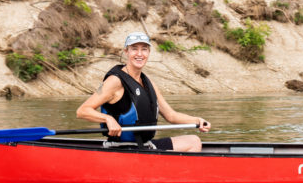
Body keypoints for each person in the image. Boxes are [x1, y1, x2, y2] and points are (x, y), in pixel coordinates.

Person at [76, 32, 210, 152]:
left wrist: (197, 120)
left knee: (194, 141)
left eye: (144, 49)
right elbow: (82, 111)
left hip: (145, 145)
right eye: (134, 49)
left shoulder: (148, 82)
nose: (139, 54)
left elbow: (171, 116)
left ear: (148, 53)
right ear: (126, 51)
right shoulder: (114, 81)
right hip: (122, 149)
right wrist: (108, 119)